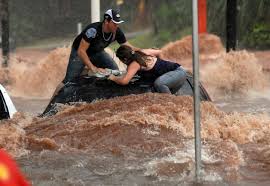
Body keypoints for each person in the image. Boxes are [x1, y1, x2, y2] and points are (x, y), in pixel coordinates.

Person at [52, 9, 136, 97]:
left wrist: (142, 51)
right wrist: (92, 67)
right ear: (107, 21)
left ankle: (105, 95)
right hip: (80, 53)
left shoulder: (117, 31)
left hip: (97, 52)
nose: (117, 26)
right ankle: (51, 103)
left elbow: (127, 45)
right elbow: (81, 51)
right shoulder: (93, 30)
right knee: (69, 82)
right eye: (114, 23)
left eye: (118, 23)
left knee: (114, 71)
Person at [108, 45, 187, 94]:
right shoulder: (143, 52)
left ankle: (171, 104)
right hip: (176, 75)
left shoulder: (134, 64)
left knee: (158, 83)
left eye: (120, 60)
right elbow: (161, 52)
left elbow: (124, 81)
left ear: (124, 59)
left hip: (177, 73)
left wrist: (113, 78)